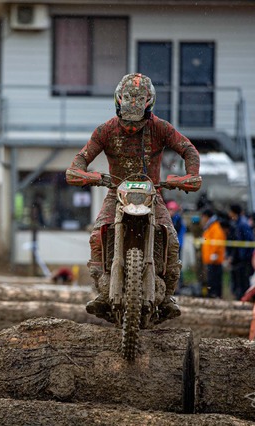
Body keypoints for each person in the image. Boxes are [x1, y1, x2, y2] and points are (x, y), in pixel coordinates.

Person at [65, 72, 201, 321]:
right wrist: (84, 174)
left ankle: (168, 295)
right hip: (115, 193)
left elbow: (188, 150)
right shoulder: (105, 130)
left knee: (171, 238)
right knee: (97, 235)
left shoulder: (160, 128)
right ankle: (103, 291)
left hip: (154, 194)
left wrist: (189, 176)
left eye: (136, 123)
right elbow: (81, 158)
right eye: (126, 122)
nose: (130, 128)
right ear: (118, 105)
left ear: (148, 110)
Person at [226, 204, 255, 300]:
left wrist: (245, 255)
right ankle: (240, 296)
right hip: (239, 257)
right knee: (238, 279)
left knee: (244, 280)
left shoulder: (243, 224)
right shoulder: (237, 223)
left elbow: (249, 240)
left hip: (244, 258)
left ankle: (245, 297)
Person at [200, 209, 226, 298]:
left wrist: (214, 254)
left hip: (215, 260)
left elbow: (217, 242)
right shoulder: (211, 227)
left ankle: (215, 295)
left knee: (214, 279)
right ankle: (213, 294)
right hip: (211, 259)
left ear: (207, 217)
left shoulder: (214, 227)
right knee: (211, 279)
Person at [168, 200, 186, 288]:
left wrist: (177, 244)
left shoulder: (178, 220)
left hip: (177, 245)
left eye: (172, 210)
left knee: (177, 265)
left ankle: (179, 284)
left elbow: (180, 234)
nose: (171, 212)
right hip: (170, 245)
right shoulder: (169, 220)